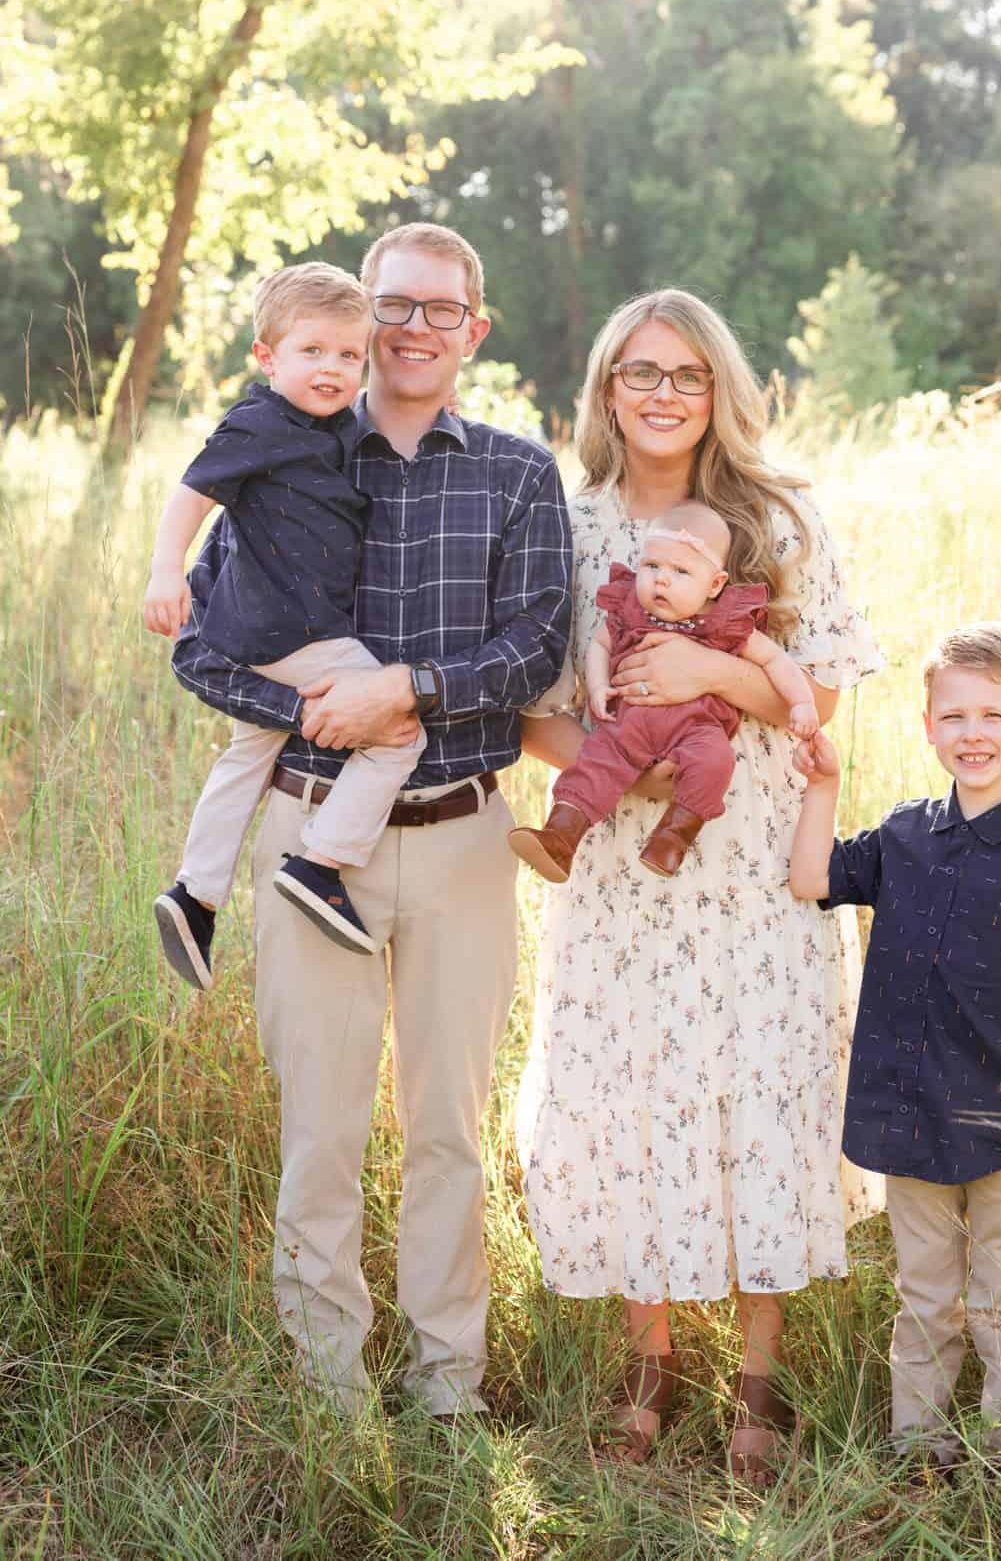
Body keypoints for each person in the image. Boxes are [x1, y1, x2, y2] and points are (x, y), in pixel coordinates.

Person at [171, 222, 573, 1418]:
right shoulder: (282, 451)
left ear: (473, 329)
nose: (410, 329)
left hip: (460, 839)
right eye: (391, 304)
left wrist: (405, 691)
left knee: (447, 1129)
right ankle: (327, 1396)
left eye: (439, 309)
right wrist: (312, 713)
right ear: (359, 314)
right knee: (321, 1130)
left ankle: (449, 1384)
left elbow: (537, 646)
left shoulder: (512, 472)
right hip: (308, 837)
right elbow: (202, 642)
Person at [515, 290, 884, 1486]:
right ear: (606, 390)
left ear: (719, 388)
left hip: (750, 861)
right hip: (622, 864)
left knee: (757, 1080)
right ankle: (647, 1360)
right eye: (639, 372)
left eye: (686, 374)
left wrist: (708, 669)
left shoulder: (775, 517)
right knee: (630, 1083)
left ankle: (760, 1376)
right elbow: (537, 713)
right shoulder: (564, 527)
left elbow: (819, 693)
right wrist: (620, 778)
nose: (663, 393)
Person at [789, 623, 1001, 1469]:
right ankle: (918, 1452)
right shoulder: (902, 837)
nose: (975, 734)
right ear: (927, 726)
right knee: (926, 1292)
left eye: (995, 716)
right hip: (908, 1112)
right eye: (956, 716)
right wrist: (825, 784)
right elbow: (812, 880)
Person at [144, 263, 427, 988]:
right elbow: (191, 494)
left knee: (246, 758)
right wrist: (164, 571)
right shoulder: (259, 422)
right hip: (294, 633)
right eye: (312, 352)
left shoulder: (331, 427)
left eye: (348, 356)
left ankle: (195, 894)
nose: (332, 369)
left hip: (262, 637)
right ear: (268, 357)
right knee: (399, 729)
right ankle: (320, 857)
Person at [508, 500, 819, 882]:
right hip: (628, 725)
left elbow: (775, 661)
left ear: (715, 584)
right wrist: (600, 685)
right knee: (596, 761)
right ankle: (560, 836)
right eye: (652, 566)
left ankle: (673, 838)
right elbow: (600, 646)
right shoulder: (629, 609)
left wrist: (801, 702)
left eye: (681, 571)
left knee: (714, 761)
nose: (661, 580)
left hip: (696, 729)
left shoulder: (723, 621)